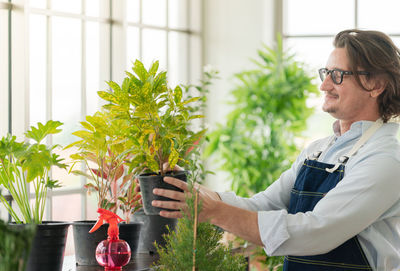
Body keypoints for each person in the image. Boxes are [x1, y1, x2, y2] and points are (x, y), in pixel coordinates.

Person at [146, 29, 400, 270]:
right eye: (326, 73)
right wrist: (195, 192)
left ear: (376, 85)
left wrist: (214, 212)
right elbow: (264, 206)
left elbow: (316, 232)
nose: (324, 86)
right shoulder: (318, 151)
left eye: (338, 75)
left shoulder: (385, 159)